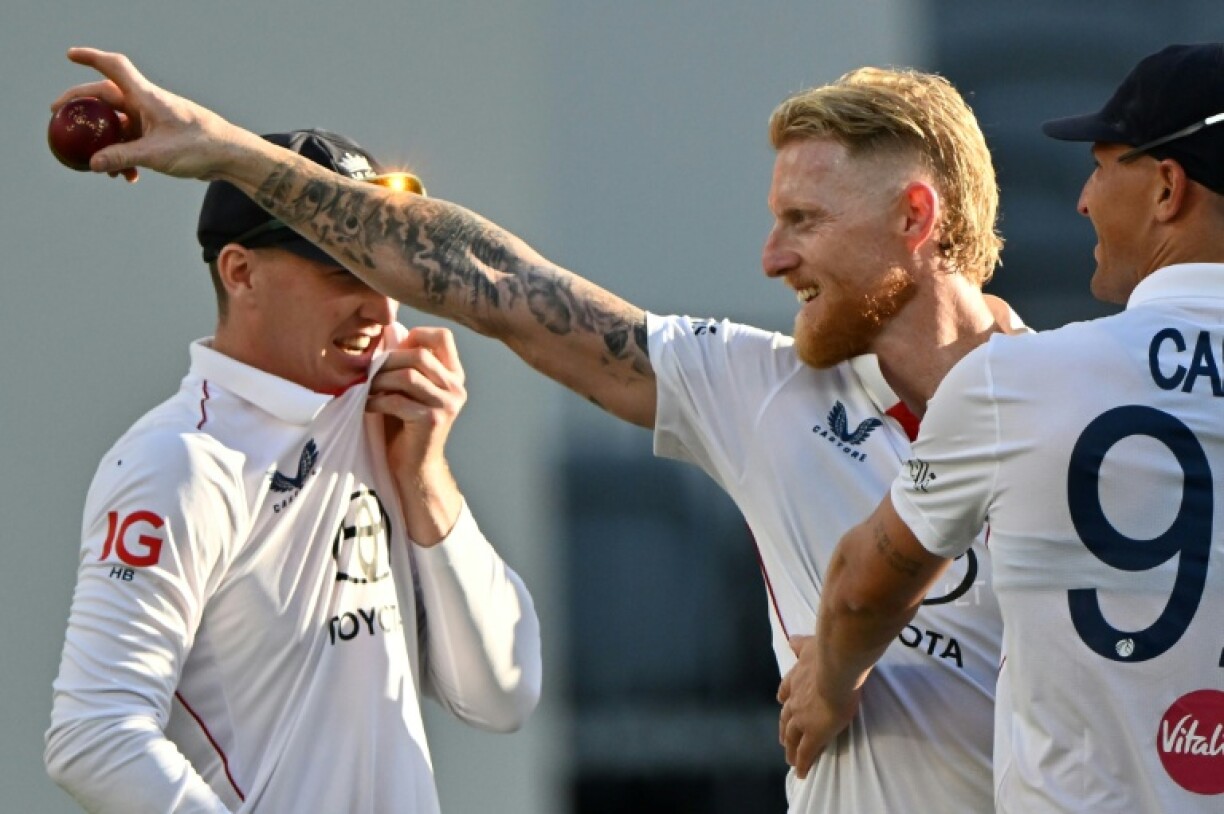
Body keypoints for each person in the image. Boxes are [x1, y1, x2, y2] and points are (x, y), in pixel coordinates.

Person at [53, 48, 1019, 812]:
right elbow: (507, 288)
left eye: (802, 219)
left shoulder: (1084, 407)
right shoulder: (762, 390)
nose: (771, 257)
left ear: (915, 219)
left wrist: (846, 659)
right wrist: (223, 150)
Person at [779, 42, 1224, 813]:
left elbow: (861, 590)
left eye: (1101, 163)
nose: (1083, 199)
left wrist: (828, 683)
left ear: (1166, 188)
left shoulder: (1017, 381)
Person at [44, 128, 542, 814]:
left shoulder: (392, 413)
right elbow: (92, 734)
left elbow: (502, 694)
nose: (380, 305)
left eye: (384, 267)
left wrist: (425, 475)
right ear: (240, 272)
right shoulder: (177, 461)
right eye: (342, 267)